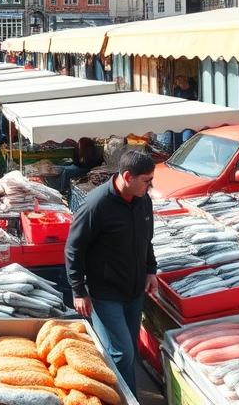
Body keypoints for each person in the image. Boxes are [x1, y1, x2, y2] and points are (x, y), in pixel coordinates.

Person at [65, 150, 158, 394]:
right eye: (146, 180)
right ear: (128, 176)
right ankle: (126, 399)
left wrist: (151, 270)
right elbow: (73, 249)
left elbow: (146, 240)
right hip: (105, 294)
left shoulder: (142, 199)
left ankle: (117, 393)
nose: (151, 185)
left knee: (130, 352)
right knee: (121, 352)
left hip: (135, 291)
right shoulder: (96, 205)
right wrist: (78, 291)